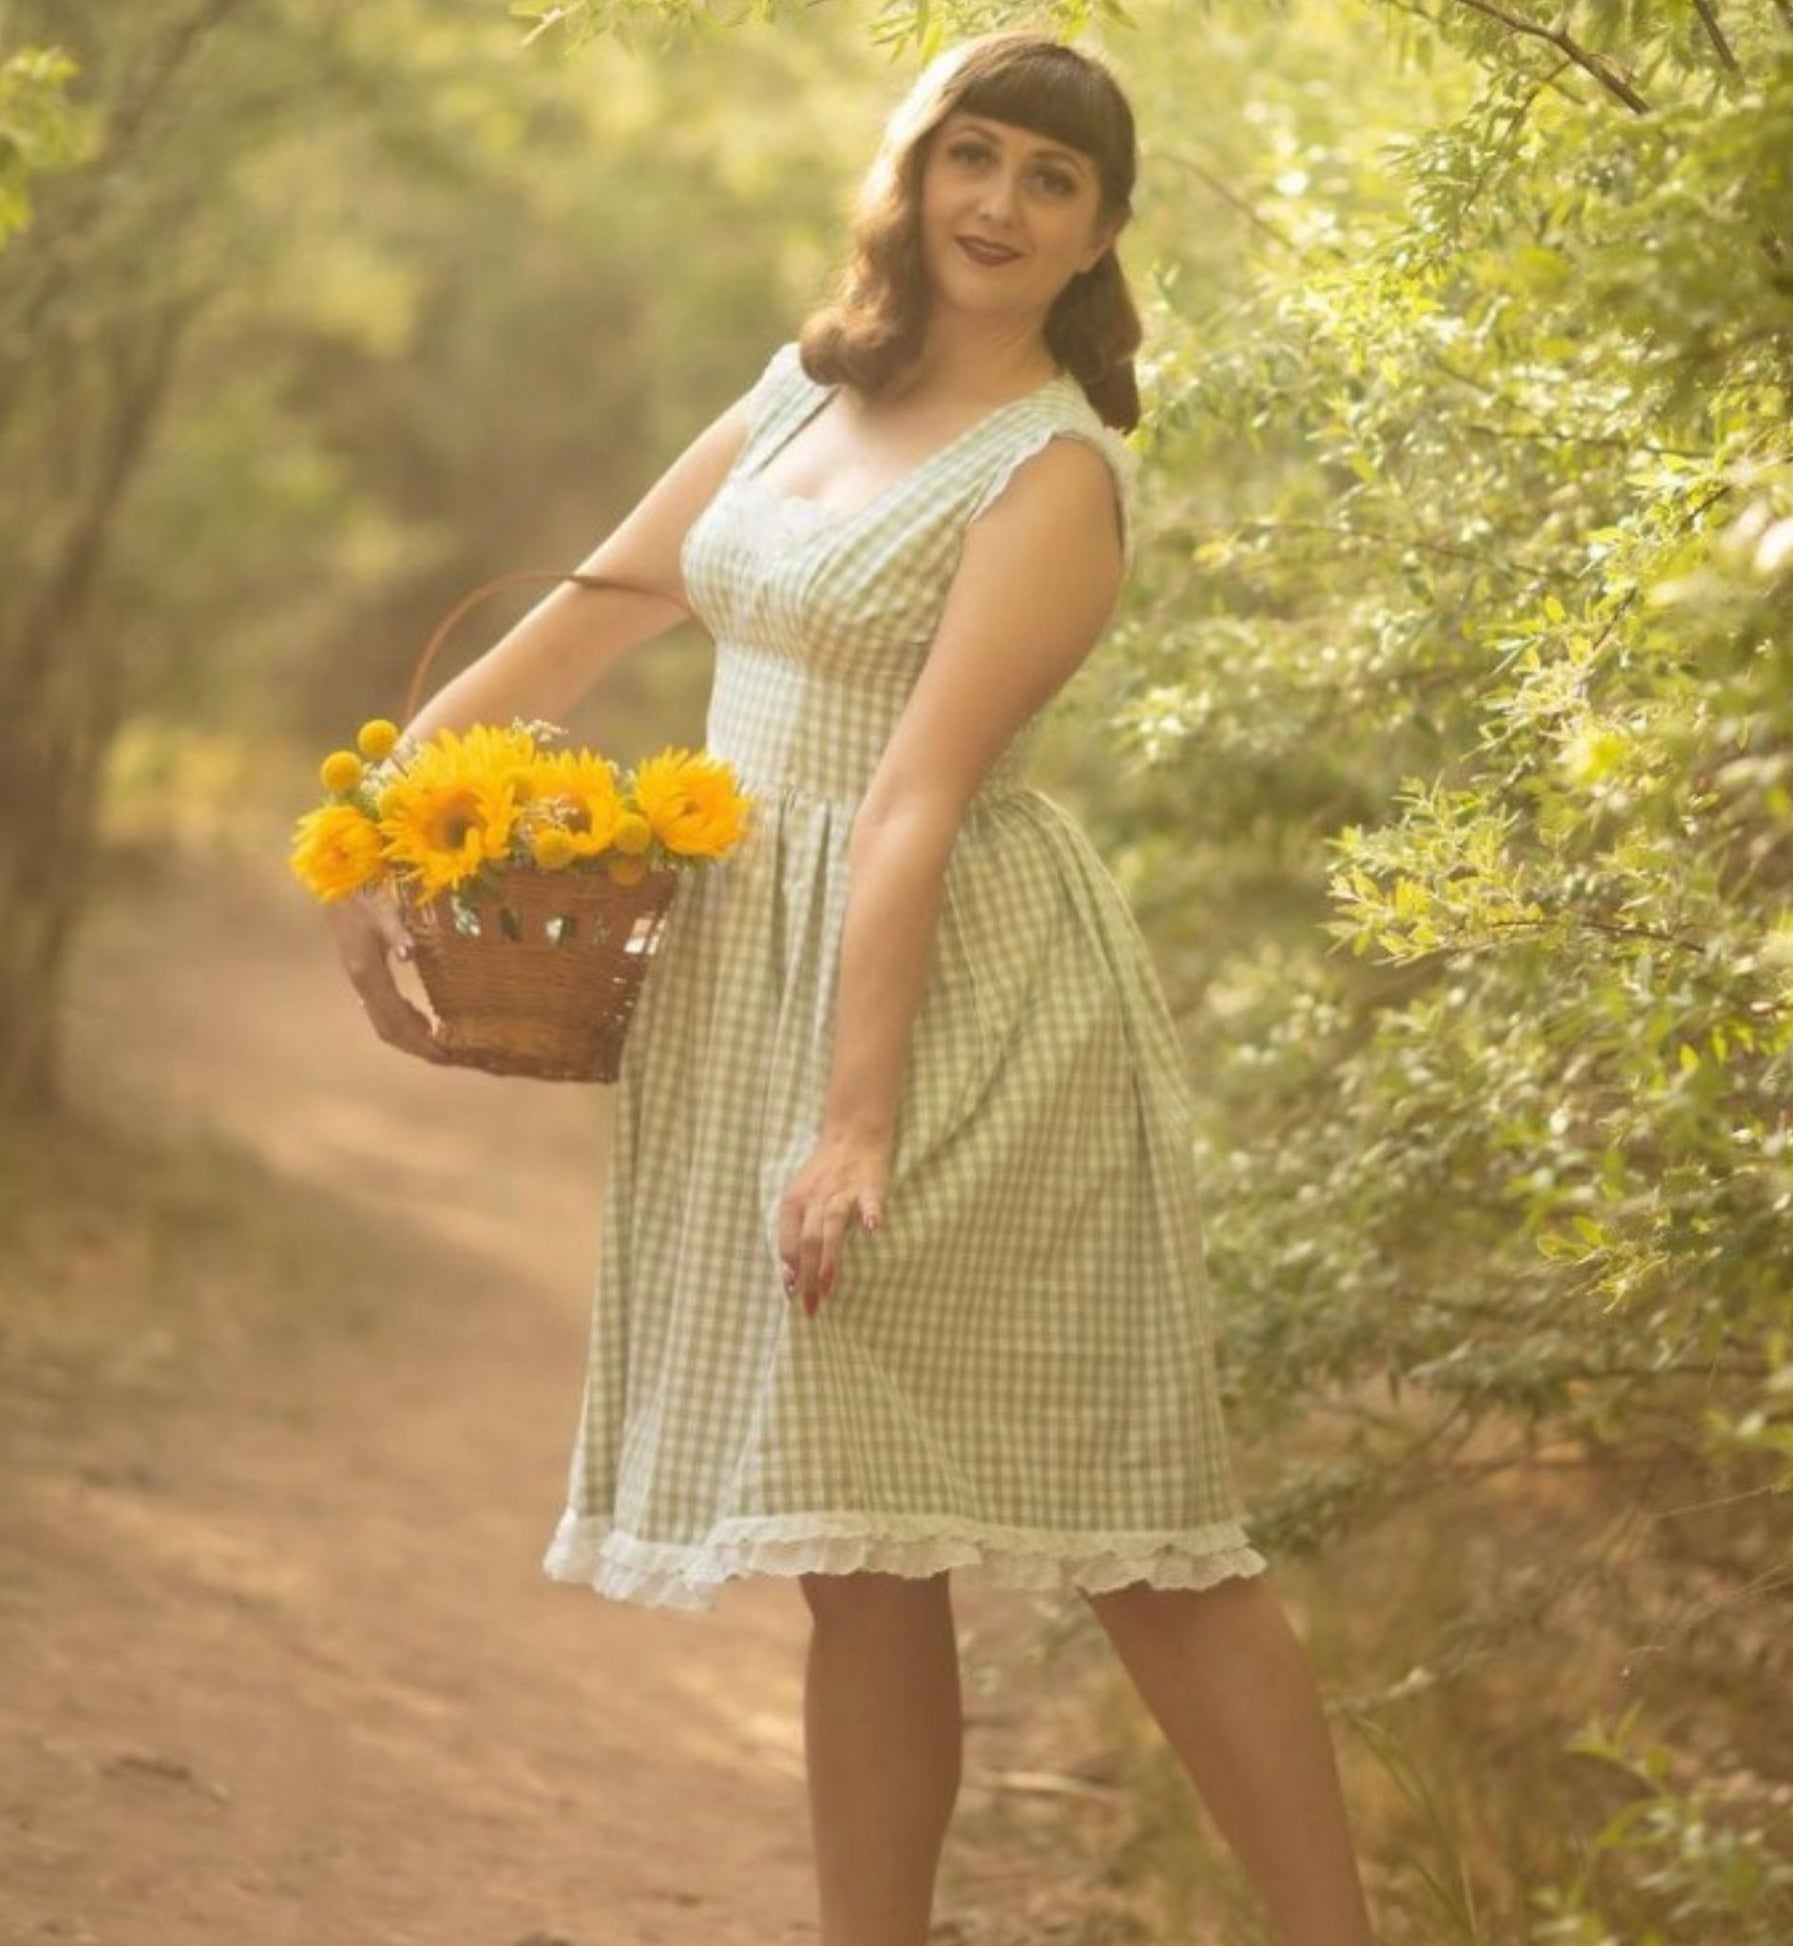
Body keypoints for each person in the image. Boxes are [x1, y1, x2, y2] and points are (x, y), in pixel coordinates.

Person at [324, 28, 1377, 1946]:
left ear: (1098, 237)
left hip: (965, 1018)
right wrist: (383, 822)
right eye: (968, 154)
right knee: (853, 1547)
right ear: (908, 172)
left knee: (1138, 1535)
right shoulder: (803, 392)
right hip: (757, 976)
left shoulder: (1050, 475)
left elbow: (911, 803)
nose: (995, 200)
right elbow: (601, 604)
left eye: (1047, 180)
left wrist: (854, 1122)